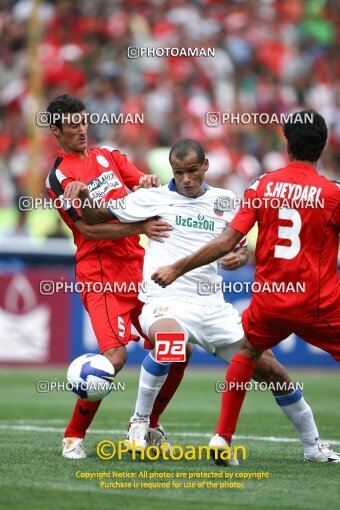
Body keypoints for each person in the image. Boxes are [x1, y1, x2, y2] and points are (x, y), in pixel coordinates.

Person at [65, 137, 337, 463]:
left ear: (205, 166)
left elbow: (242, 244)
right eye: (178, 172)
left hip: (212, 307)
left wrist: (241, 255)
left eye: (192, 170)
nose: (186, 179)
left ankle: (313, 448)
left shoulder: (225, 200)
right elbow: (94, 219)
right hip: (164, 300)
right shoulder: (150, 198)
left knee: (273, 371)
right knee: (169, 342)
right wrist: (85, 195)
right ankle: (139, 423)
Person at [150, 114, 340, 463]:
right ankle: (312, 447)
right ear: (324, 145)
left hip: (269, 302)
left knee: (249, 352)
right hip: (319, 303)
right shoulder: (333, 194)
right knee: (260, 359)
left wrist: (178, 266)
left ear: (287, 144)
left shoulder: (262, 186)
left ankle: (222, 438)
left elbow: (227, 242)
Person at [45, 94, 189, 459]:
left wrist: (147, 182)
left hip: (138, 266)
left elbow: (141, 181)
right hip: (101, 273)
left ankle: (148, 423)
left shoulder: (108, 156)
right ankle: (73, 435)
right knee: (114, 357)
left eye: (83, 120)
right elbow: (89, 231)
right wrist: (140, 225)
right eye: (73, 123)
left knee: (178, 346)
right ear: (55, 130)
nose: (81, 128)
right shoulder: (59, 177)